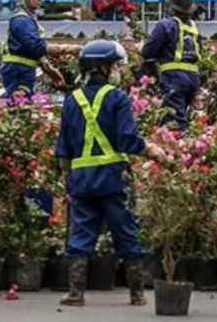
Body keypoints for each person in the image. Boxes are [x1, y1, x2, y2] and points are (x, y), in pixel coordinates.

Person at [55, 40, 168, 307]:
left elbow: (63, 148)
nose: (117, 69)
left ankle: (76, 294)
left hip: (82, 180)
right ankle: (137, 295)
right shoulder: (117, 98)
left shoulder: (72, 99)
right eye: (115, 64)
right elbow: (127, 140)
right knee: (125, 231)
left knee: (81, 234)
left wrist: (67, 180)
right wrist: (154, 151)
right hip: (113, 179)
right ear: (102, 67)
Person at [141, 0, 203, 130]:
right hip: (193, 78)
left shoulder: (165, 25)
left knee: (175, 124)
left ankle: (182, 148)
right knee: (184, 116)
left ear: (172, 8)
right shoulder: (194, 28)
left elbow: (147, 52)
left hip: (174, 79)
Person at [0, 0, 67, 97]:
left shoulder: (28, 20)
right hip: (18, 70)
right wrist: (66, 49)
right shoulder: (22, 20)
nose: (40, 1)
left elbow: (36, 51)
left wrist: (49, 70)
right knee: (19, 101)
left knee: (22, 101)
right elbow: (35, 46)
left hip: (23, 69)